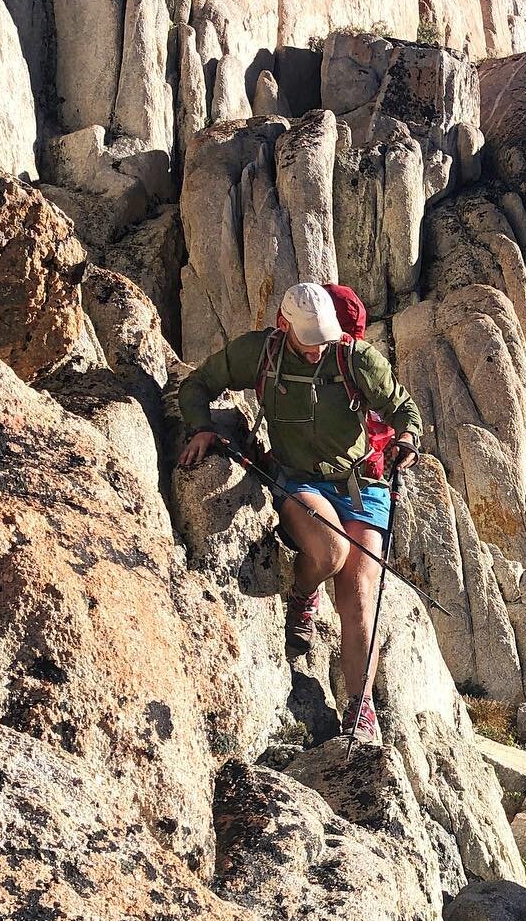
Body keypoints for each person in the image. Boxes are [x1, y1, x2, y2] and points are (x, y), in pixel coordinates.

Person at [177, 282, 423, 746]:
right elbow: (198, 384)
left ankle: (360, 709)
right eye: (308, 343)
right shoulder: (259, 354)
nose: (316, 353)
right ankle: (303, 591)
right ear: (285, 326)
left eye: (323, 341)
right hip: (300, 481)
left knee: (358, 591)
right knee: (330, 553)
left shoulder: (356, 359)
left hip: (363, 483)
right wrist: (202, 428)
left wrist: (407, 439)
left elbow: (403, 408)